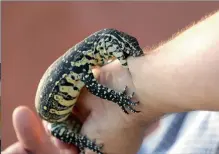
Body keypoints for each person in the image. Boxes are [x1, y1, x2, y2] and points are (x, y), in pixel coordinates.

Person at [2, 10, 219, 154]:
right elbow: (96, 88)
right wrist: (120, 98)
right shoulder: (83, 66)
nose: (129, 53)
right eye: (119, 48)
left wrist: (134, 85)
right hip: (60, 120)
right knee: (58, 131)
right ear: (102, 48)